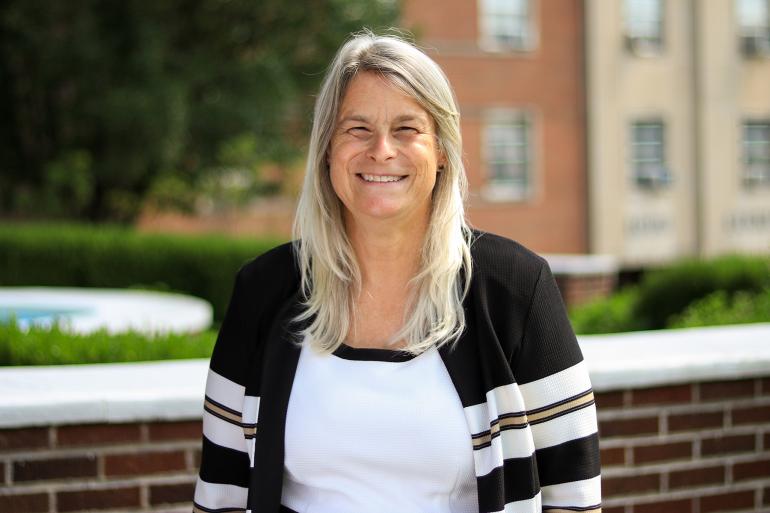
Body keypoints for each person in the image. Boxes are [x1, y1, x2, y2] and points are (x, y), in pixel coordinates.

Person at [192, 30, 601, 513]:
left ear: (443, 150)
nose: (381, 150)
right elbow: (221, 490)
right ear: (326, 149)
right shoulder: (264, 290)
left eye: (407, 129)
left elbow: (572, 497)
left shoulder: (513, 288)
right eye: (357, 129)